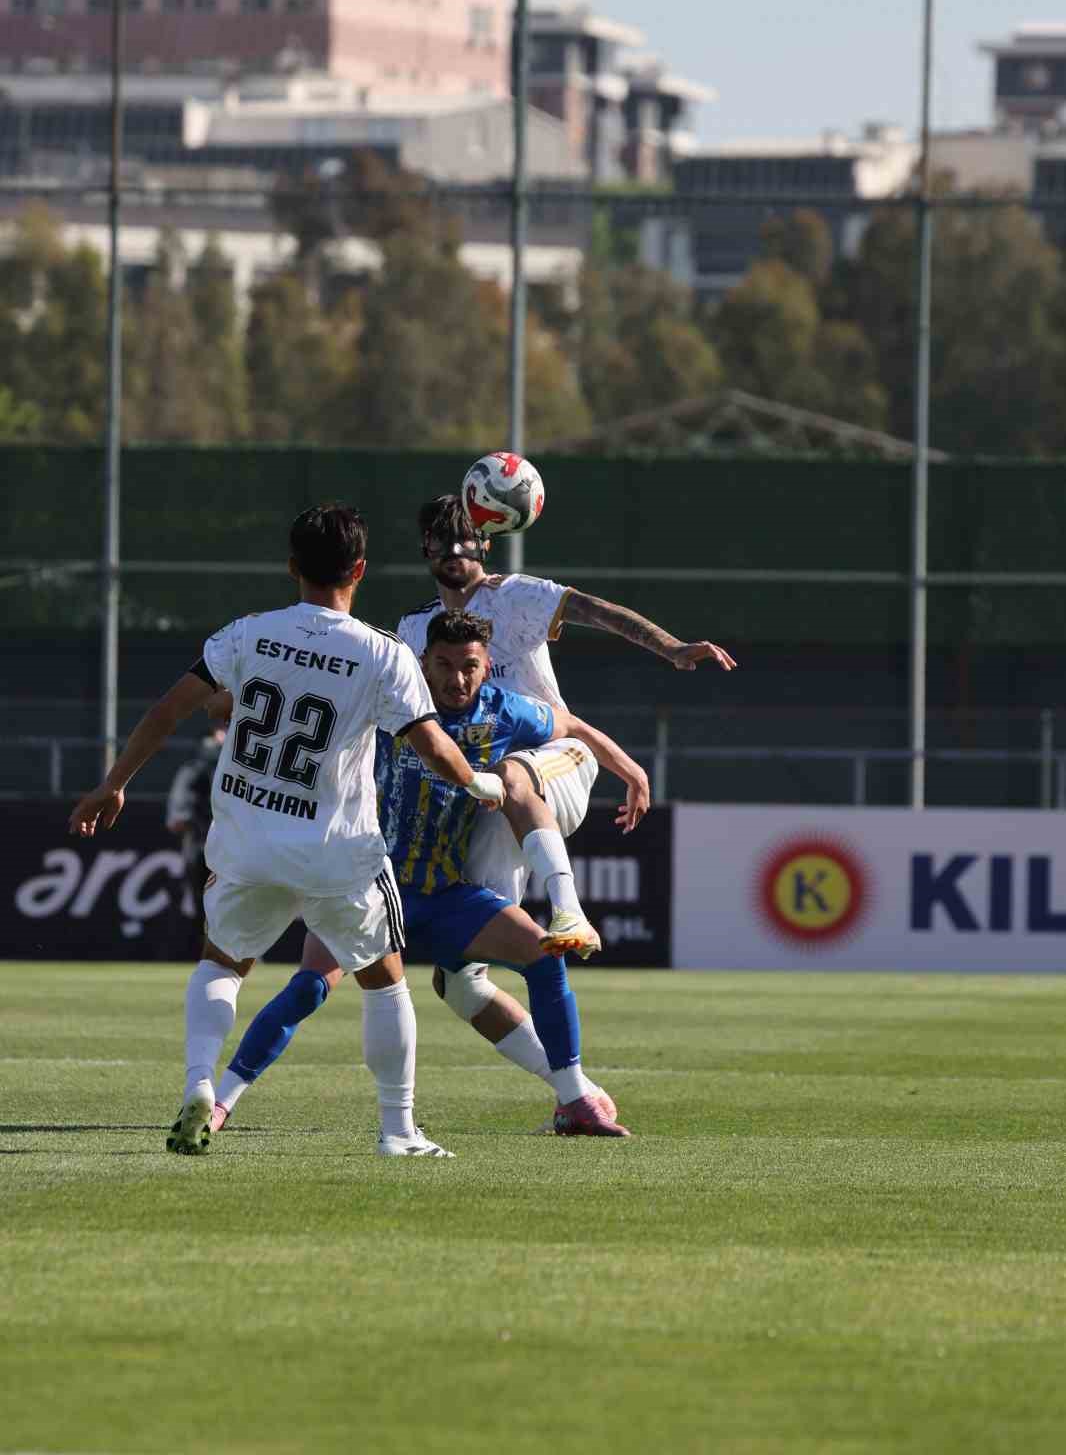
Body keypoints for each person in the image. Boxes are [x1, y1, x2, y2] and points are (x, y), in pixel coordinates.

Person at [68, 503, 505, 1160]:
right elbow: (434, 749)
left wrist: (115, 782)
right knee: (384, 981)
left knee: (222, 964)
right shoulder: (381, 653)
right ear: (359, 569)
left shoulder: (248, 634)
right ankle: (398, 1130)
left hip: (247, 841)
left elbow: (168, 711)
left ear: (292, 567)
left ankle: (198, 1084)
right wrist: (482, 785)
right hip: (337, 851)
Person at [211, 609, 646, 1137]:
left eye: (469, 666)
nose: (456, 678)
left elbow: (573, 727)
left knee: (543, 954)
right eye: (444, 664)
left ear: (487, 669)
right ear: (423, 663)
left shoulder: (506, 713)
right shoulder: (391, 699)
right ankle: (220, 1102)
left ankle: (575, 1099)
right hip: (366, 885)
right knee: (309, 987)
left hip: (442, 895)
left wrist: (631, 771)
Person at [396, 494, 736, 1114]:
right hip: (487, 804)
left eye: (463, 540)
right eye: (439, 542)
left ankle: (570, 910)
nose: (451, 552)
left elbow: (594, 613)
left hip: (557, 768)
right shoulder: (414, 631)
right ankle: (573, 1094)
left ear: (486, 542)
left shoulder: (514, 596)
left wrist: (673, 648)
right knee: (459, 982)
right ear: (424, 550)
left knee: (512, 773)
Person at [166, 705, 228, 946]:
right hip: (204, 842)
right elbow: (178, 819)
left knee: (227, 900)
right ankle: (208, 947)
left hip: (225, 843)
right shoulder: (194, 770)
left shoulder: (234, 768)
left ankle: (230, 950)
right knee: (204, 900)